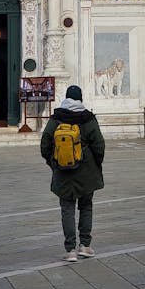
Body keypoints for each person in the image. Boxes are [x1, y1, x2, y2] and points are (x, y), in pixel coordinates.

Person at [40, 84, 104, 262]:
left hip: (63, 171)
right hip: (86, 171)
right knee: (86, 206)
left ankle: (70, 250)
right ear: (80, 98)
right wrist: (95, 164)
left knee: (67, 208)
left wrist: (53, 163)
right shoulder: (88, 118)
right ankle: (85, 245)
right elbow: (99, 145)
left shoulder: (57, 118)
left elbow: (45, 144)